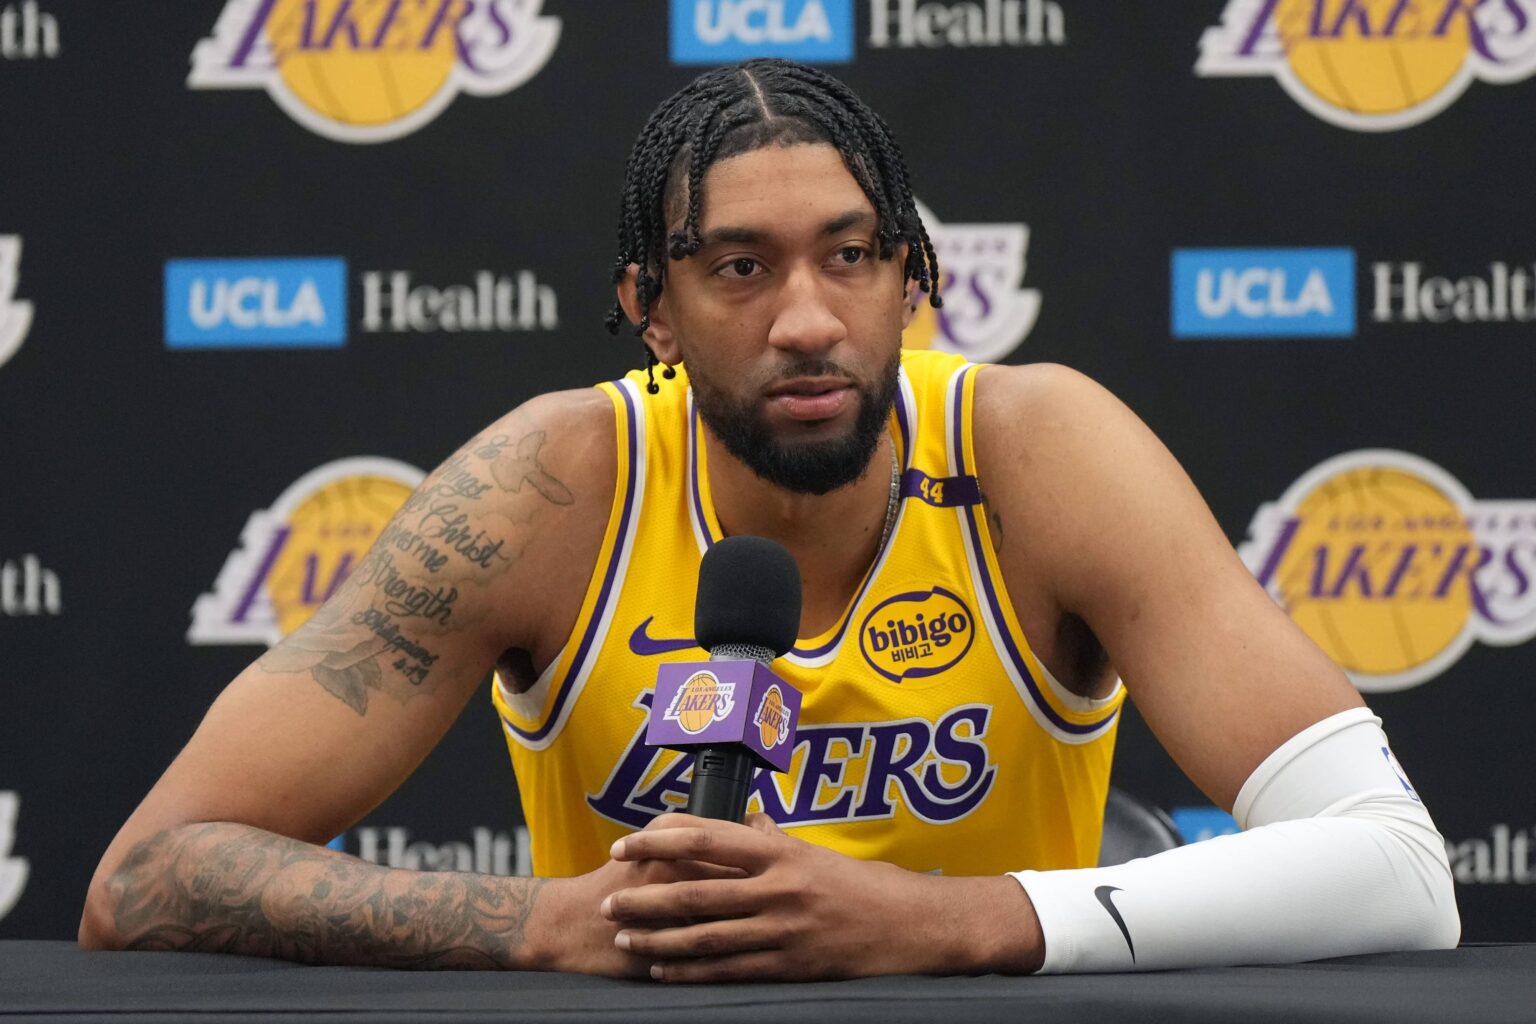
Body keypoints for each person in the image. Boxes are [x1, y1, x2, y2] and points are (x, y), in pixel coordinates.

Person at [79, 59, 1458, 980]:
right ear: (650, 313)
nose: (809, 319)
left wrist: (945, 922)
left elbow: (1400, 871)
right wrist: (548, 922)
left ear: (913, 281)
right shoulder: (554, 484)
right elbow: (144, 877)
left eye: (851, 257)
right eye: (740, 267)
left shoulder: (1038, 449)